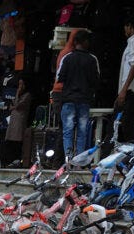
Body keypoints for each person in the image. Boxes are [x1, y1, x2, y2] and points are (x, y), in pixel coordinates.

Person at [56, 29, 100, 158]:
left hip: (69, 99)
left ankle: (69, 160)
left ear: (75, 42)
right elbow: (96, 81)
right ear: (86, 42)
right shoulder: (92, 59)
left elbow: (59, 77)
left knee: (68, 132)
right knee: (82, 132)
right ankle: (79, 162)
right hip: (84, 100)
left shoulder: (67, 58)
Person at [1, 77, 33, 165]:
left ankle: (17, 160)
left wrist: (17, 95)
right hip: (13, 120)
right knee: (10, 141)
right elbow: (14, 104)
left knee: (17, 141)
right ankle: (9, 160)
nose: (20, 87)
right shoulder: (18, 94)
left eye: (21, 84)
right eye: (19, 84)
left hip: (19, 120)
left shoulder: (27, 95)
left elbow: (18, 105)